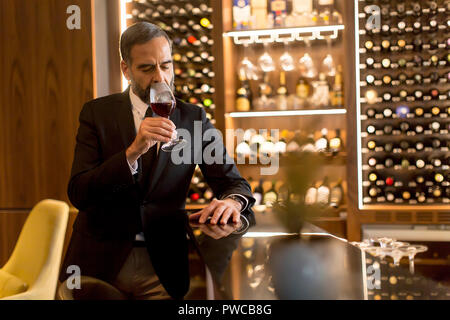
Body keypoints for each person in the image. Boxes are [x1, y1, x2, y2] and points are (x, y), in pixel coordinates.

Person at [59, 22, 255, 300]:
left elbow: (234, 183)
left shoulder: (192, 118)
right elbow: (78, 192)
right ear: (126, 70)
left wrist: (231, 201)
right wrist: (132, 152)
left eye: (165, 65)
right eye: (147, 68)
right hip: (98, 265)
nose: (160, 77)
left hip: (165, 265)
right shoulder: (96, 113)